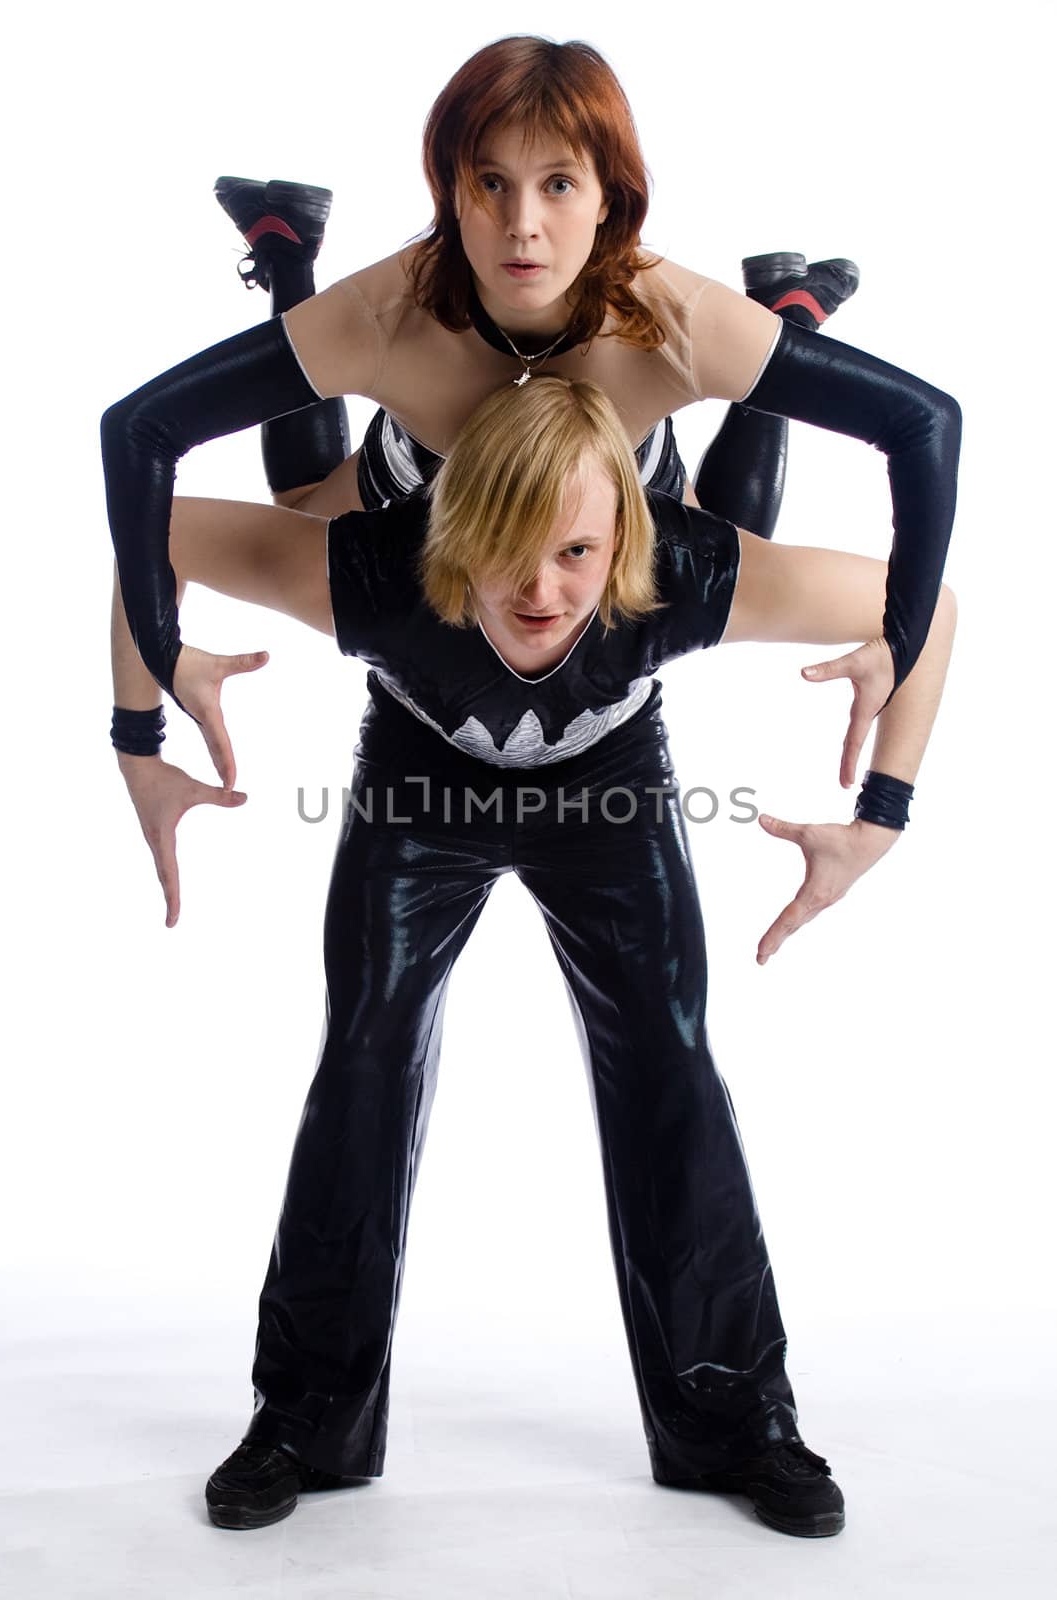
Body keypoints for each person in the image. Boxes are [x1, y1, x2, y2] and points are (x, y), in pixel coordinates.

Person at [120, 373, 955, 1535]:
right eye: (505, 547)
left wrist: (881, 815)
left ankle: (732, 1417)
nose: (537, 588)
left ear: (626, 530)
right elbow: (143, 526)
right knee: (362, 1055)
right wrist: (140, 731)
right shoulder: (367, 571)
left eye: (574, 551)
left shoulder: (686, 568)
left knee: (670, 1060)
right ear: (452, 528)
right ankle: (302, 1415)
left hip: (608, 791)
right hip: (419, 786)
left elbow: (931, 601)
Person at [102, 35, 961, 927]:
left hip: (621, 472)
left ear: (608, 201)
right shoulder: (384, 316)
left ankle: (785, 321)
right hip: (424, 485)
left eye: (557, 184)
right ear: (450, 193)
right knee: (304, 499)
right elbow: (141, 432)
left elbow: (923, 423)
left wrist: (897, 643)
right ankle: (287, 258)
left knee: (735, 534)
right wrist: (153, 679)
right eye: (490, 183)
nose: (522, 227)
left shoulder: (678, 319)